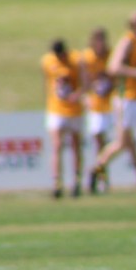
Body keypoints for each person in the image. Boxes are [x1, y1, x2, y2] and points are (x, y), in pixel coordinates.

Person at [91, 11, 136, 200]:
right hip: (127, 97)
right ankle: (97, 166)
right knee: (122, 143)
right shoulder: (128, 41)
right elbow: (113, 67)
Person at [40, 39, 85, 198]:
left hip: (74, 110)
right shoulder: (47, 61)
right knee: (57, 145)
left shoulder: (76, 60)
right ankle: (56, 182)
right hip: (56, 109)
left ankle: (76, 180)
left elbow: (85, 83)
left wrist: (77, 95)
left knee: (75, 145)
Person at [81, 27, 116, 194]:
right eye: (98, 41)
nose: (101, 44)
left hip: (112, 104)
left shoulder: (111, 55)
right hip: (96, 105)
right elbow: (85, 82)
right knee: (99, 143)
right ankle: (102, 177)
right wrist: (87, 95)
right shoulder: (87, 57)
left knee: (123, 142)